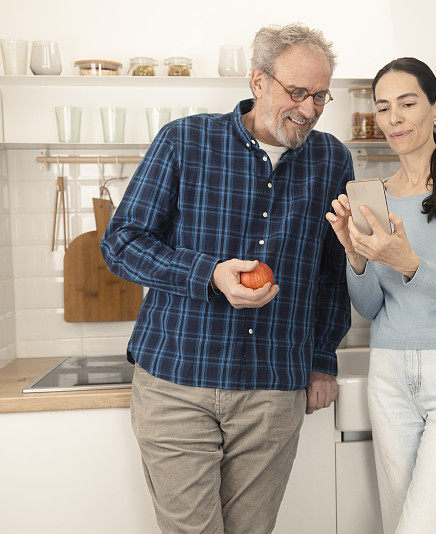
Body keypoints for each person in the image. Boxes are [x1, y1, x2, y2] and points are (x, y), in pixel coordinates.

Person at [100, 23, 353, 534]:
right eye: (298, 93)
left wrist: (323, 360)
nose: (309, 109)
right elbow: (121, 243)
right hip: (177, 381)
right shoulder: (185, 140)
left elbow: (331, 272)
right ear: (258, 81)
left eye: (321, 96)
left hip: (272, 389)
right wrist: (208, 273)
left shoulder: (331, 158)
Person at [325, 57, 436, 534]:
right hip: (389, 375)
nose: (394, 118)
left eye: (407, 103)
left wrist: (408, 262)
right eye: (383, 107)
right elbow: (368, 307)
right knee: (400, 524)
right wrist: (357, 257)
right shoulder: (374, 193)